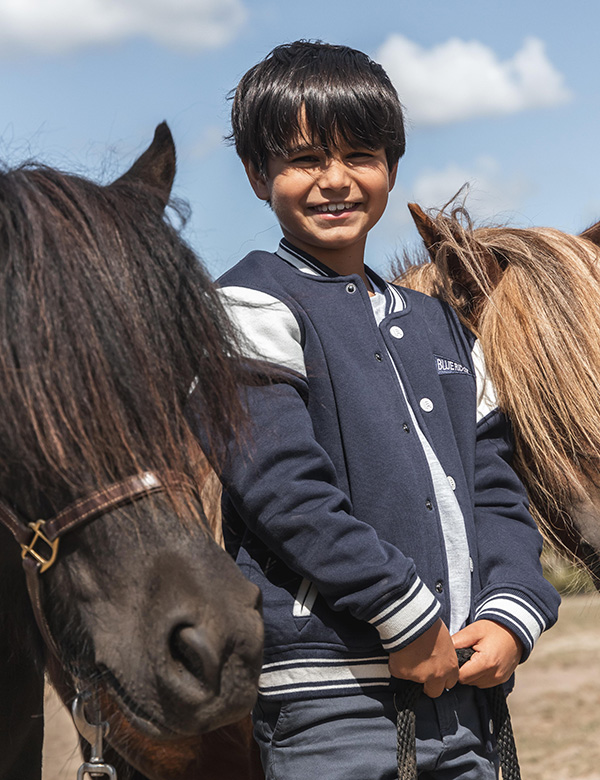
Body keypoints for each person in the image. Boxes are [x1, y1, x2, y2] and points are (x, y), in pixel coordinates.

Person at [216, 40, 560, 779]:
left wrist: (512, 613)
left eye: (360, 155)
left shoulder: (444, 327)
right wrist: (400, 612)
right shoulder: (248, 304)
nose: (335, 180)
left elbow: (496, 489)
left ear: (392, 167)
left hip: (468, 692)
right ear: (256, 173)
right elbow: (281, 487)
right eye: (305, 158)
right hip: (329, 704)